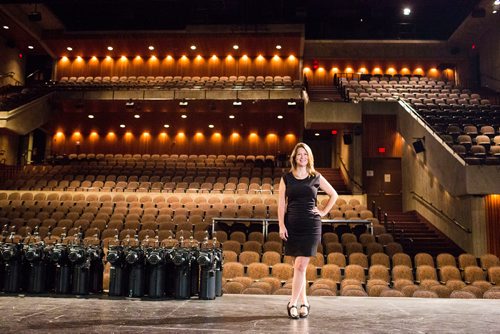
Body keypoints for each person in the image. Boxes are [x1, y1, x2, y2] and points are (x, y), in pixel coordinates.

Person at [278, 142, 338, 319]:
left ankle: (292, 303)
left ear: (309, 157)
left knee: (300, 265)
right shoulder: (286, 178)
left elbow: (334, 194)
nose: (302, 157)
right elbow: (281, 203)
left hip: (311, 225)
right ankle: (305, 303)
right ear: (294, 158)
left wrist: (323, 212)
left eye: (305, 154)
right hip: (292, 225)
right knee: (299, 268)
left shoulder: (316, 177)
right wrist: (281, 224)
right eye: (299, 155)